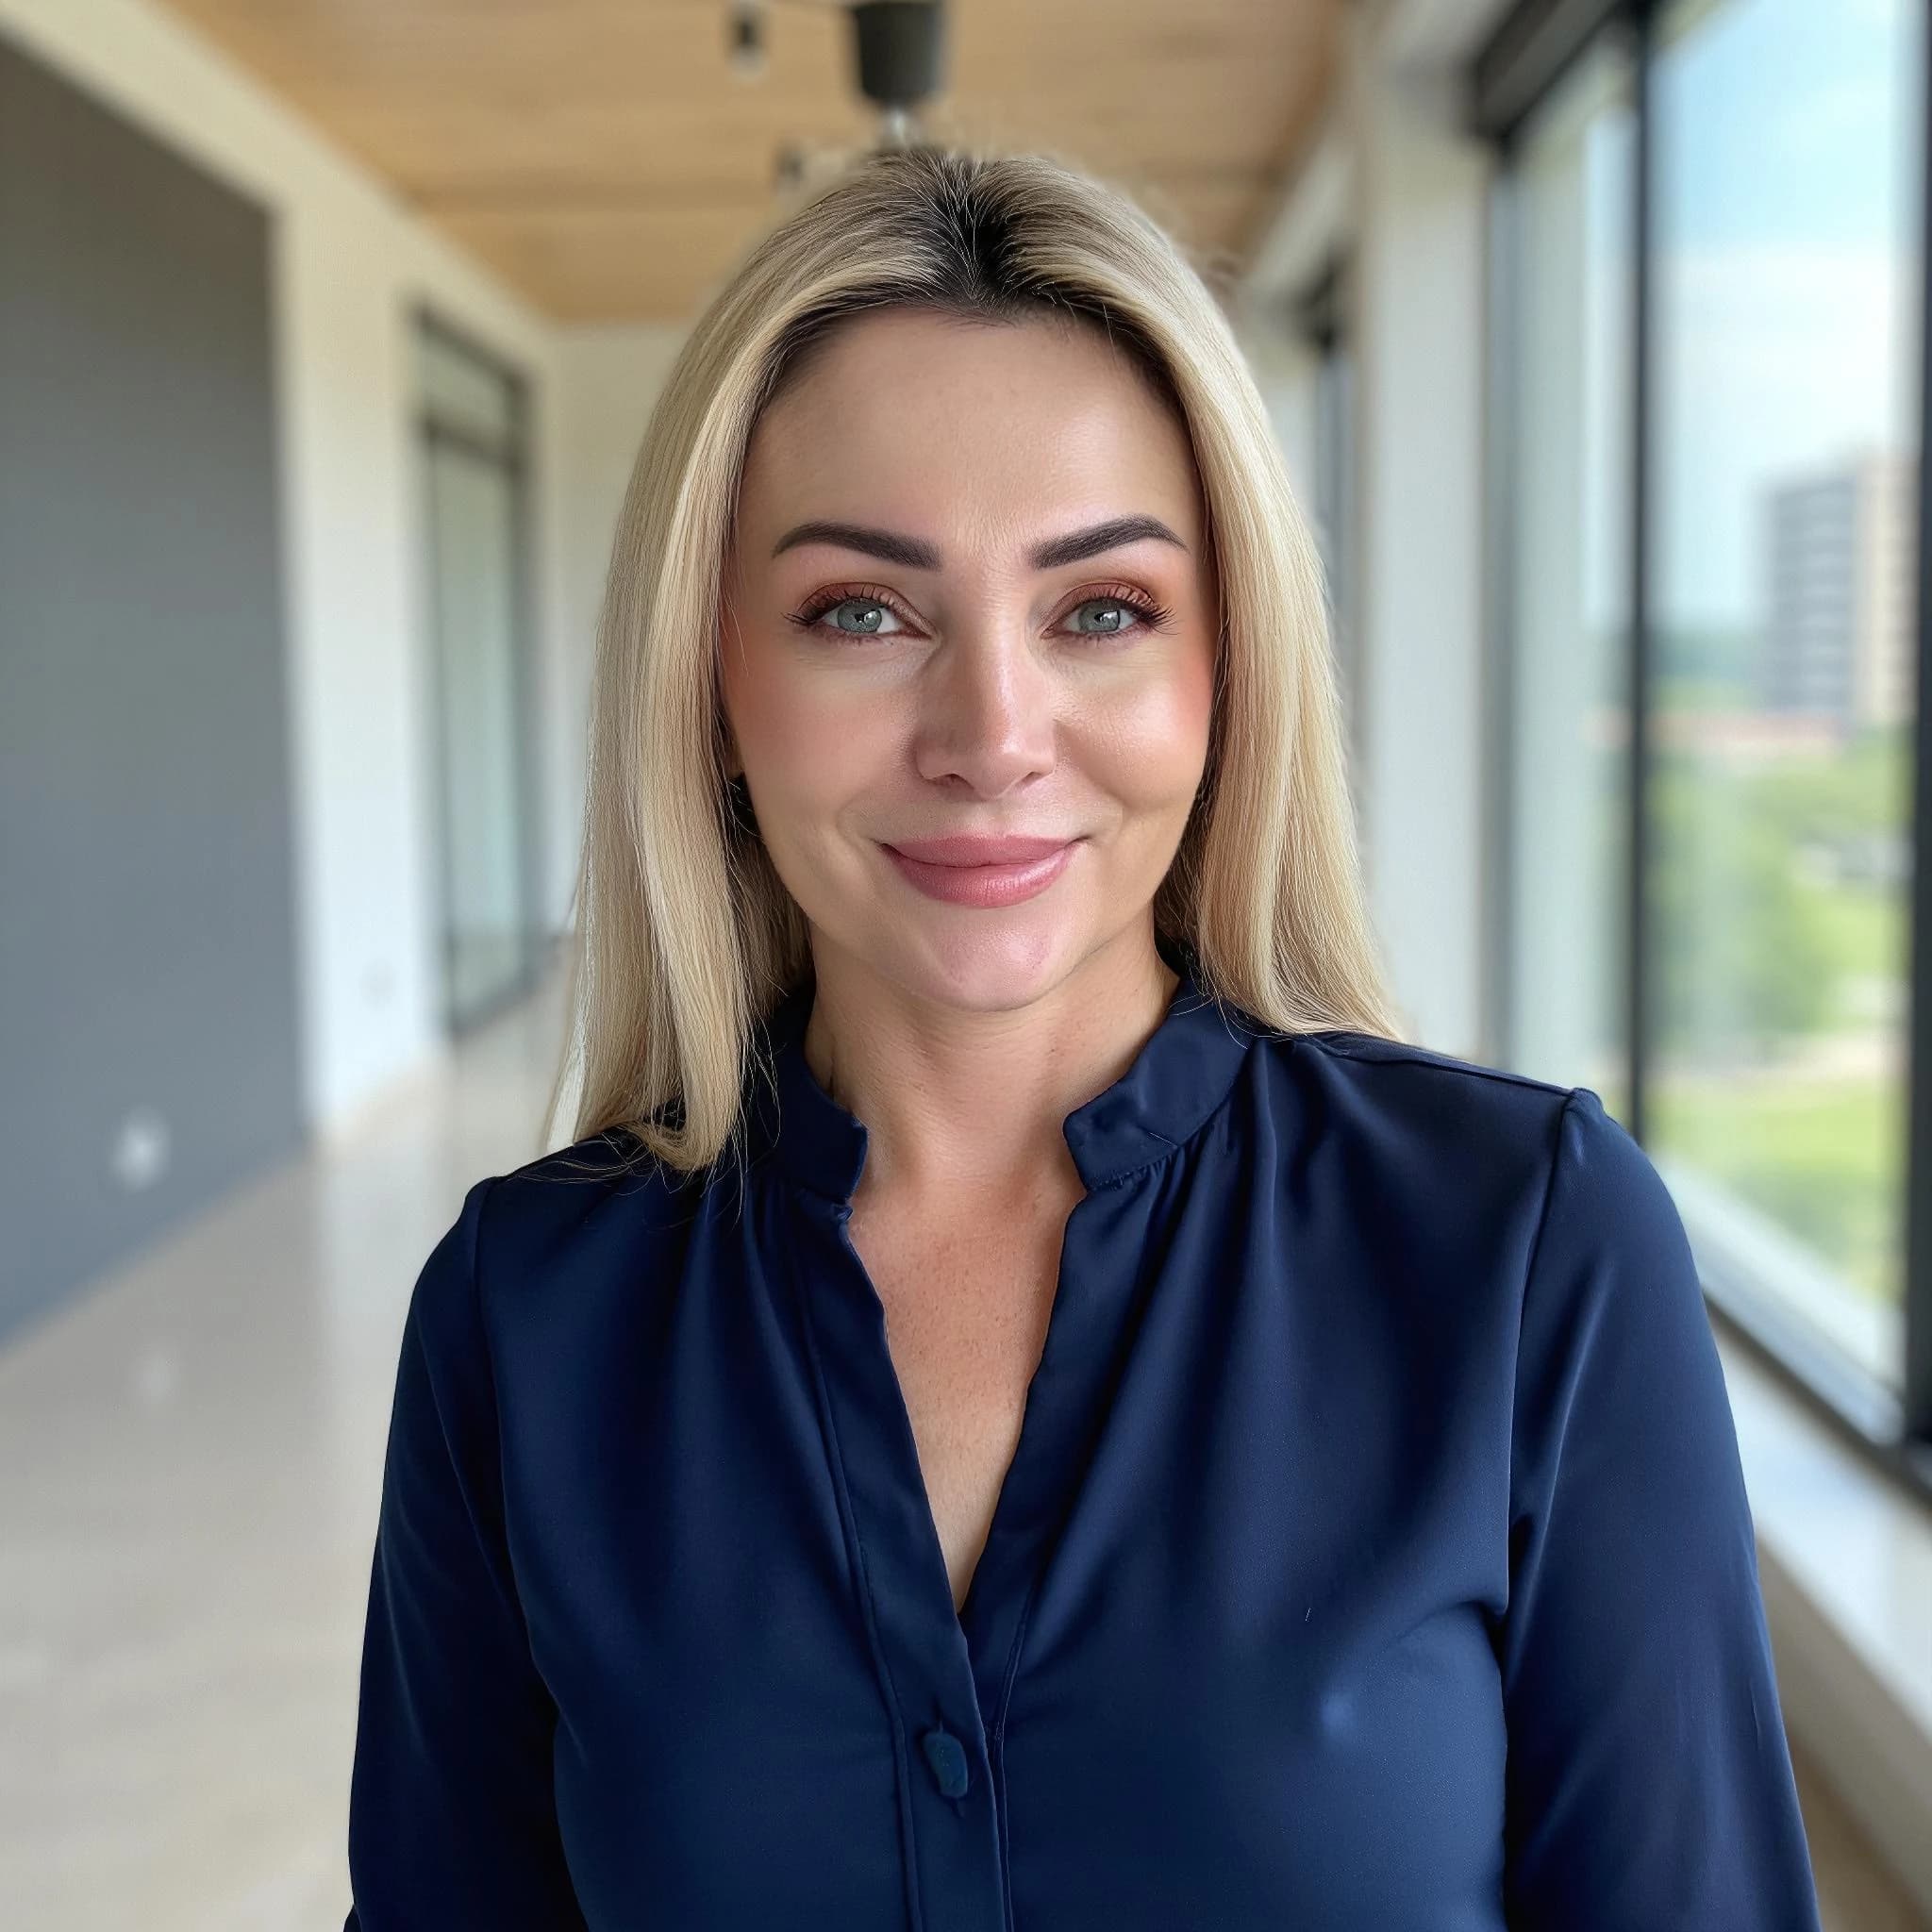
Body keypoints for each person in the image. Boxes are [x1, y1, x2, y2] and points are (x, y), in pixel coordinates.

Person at [341, 143, 1823, 1930]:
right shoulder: (527, 1314)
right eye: (863, 612)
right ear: (714, 680)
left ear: (1227, 669)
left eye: (1101, 609)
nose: (992, 730)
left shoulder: (1528, 1247)